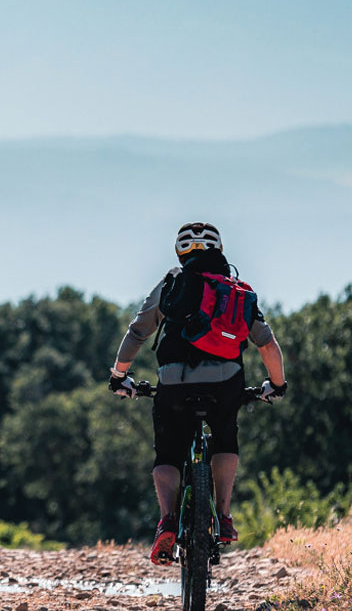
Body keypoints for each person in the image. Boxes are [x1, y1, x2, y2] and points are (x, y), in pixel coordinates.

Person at [108, 222, 287, 565]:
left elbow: (137, 332)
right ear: (219, 249)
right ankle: (222, 516)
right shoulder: (236, 289)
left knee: (169, 452)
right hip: (226, 384)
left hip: (174, 384)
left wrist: (120, 376)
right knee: (224, 438)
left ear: (180, 252)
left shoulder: (171, 283)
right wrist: (276, 385)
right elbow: (266, 343)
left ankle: (168, 520)